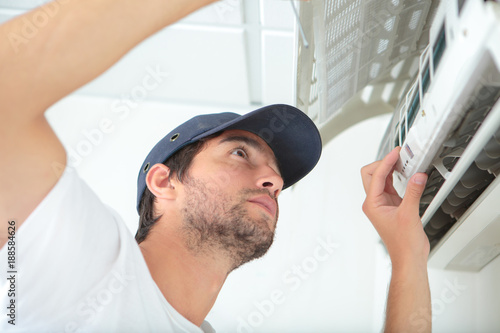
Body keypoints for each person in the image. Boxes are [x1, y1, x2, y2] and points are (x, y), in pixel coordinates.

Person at [0, 0, 431, 332]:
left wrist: (407, 255)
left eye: (273, 172)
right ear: (163, 181)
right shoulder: (86, 265)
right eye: (241, 152)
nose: (275, 180)